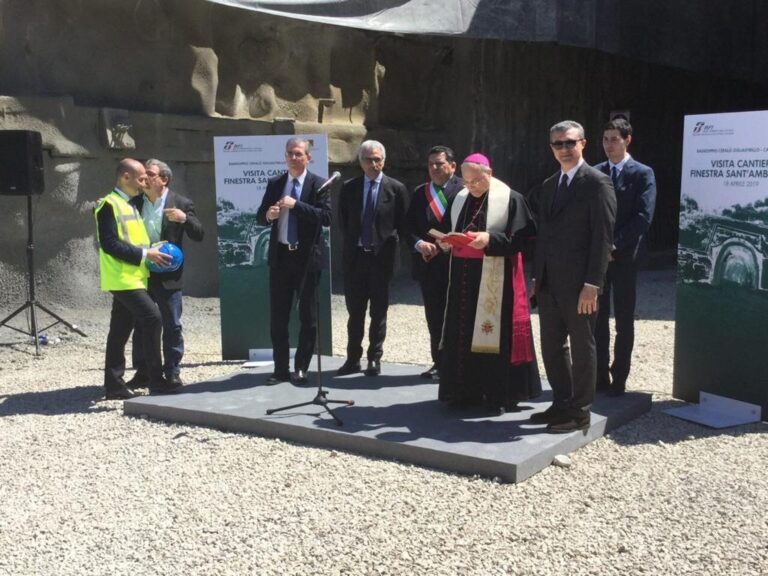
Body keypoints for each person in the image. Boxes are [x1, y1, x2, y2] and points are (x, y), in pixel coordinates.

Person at [437, 153, 540, 414]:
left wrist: (490, 239)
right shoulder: (459, 198)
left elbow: (524, 239)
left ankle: (497, 395)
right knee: (462, 332)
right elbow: (450, 227)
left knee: (492, 333)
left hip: (496, 279)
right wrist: (445, 241)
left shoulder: (510, 198)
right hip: (462, 278)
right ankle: (463, 391)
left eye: (476, 181)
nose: (470, 187)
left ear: (489, 173)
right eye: (467, 182)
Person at [531, 120, 616, 432]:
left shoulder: (597, 183)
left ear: (583, 143)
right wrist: (536, 277)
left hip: (581, 285)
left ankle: (580, 411)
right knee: (552, 347)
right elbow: (544, 236)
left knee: (583, 347)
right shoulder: (550, 184)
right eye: (558, 144)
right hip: (550, 283)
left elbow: (602, 239)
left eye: (569, 143)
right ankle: (561, 403)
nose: (564, 149)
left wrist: (593, 284)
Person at [95, 158, 181, 399]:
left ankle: (114, 385)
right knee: (153, 319)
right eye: (141, 178)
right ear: (125, 177)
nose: (146, 182)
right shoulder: (109, 205)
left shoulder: (130, 204)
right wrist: (146, 253)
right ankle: (155, 380)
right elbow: (110, 244)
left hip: (134, 277)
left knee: (120, 331)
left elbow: (133, 239)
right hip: (122, 278)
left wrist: (154, 248)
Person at [256, 138, 332, 384]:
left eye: (299, 154)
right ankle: (280, 369)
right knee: (278, 316)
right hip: (281, 257)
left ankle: (301, 367)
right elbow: (260, 216)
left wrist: (296, 205)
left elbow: (326, 217)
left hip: (306, 259)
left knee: (308, 317)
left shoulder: (319, 184)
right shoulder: (276, 183)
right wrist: (269, 215)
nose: (293, 157)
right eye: (290, 153)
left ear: (308, 157)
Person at [594, 118, 657, 396]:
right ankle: (598, 376)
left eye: (614, 139)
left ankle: (619, 377)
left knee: (623, 319)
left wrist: (613, 246)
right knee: (596, 318)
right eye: (605, 139)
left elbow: (643, 217)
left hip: (625, 257)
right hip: (597, 258)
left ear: (627, 139)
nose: (609, 145)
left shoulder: (642, 173)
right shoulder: (595, 172)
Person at [129, 159, 204, 388]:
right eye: (143, 174)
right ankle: (143, 372)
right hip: (141, 272)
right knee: (141, 324)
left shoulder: (181, 202)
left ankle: (172, 371)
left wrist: (185, 219)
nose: (145, 177)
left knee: (172, 324)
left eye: (150, 174)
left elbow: (199, 233)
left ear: (164, 179)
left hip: (168, 275)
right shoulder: (132, 203)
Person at [337, 140, 409, 377]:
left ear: (384, 161)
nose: (374, 163)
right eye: (369, 159)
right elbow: (343, 222)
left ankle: (374, 358)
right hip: (356, 259)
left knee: (378, 312)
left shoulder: (396, 189)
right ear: (360, 162)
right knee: (354, 313)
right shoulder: (349, 188)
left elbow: (402, 223)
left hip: (381, 260)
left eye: (378, 159)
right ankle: (352, 359)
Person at [406, 145, 463, 379]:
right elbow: (408, 226)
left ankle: (457, 364)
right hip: (428, 265)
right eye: (431, 164)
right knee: (434, 315)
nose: (435, 168)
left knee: (457, 316)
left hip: (457, 264)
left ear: (452, 165)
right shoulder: (421, 192)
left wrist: (443, 245)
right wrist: (419, 244)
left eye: (439, 163)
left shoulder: (465, 190)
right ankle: (438, 362)